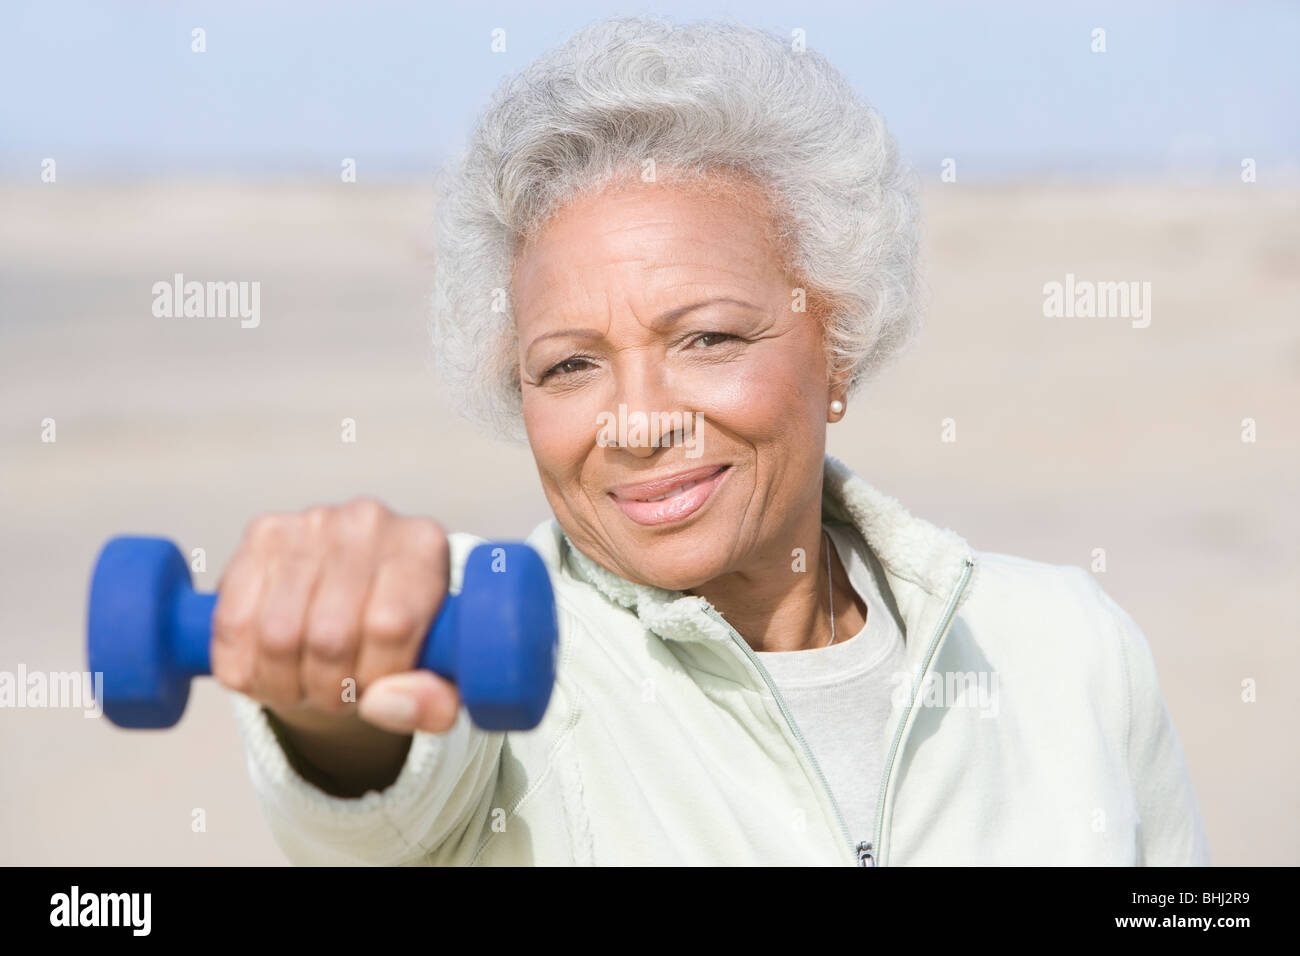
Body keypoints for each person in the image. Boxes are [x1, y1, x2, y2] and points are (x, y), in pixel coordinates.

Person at [214, 15, 1211, 865]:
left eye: (707, 338)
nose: (639, 421)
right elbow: (379, 788)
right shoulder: (491, 653)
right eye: (569, 364)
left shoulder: (1066, 643)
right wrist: (334, 693)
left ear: (838, 342)